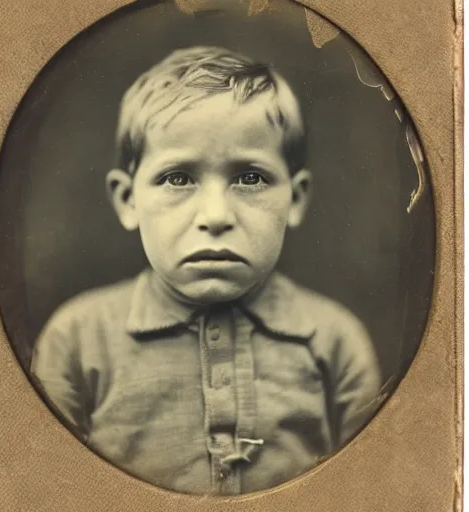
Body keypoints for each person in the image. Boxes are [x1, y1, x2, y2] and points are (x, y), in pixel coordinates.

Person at [31, 46, 382, 495]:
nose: (215, 215)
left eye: (250, 177)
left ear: (295, 198)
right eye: (178, 177)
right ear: (128, 199)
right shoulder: (77, 340)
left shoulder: (335, 342)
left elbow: (368, 493)